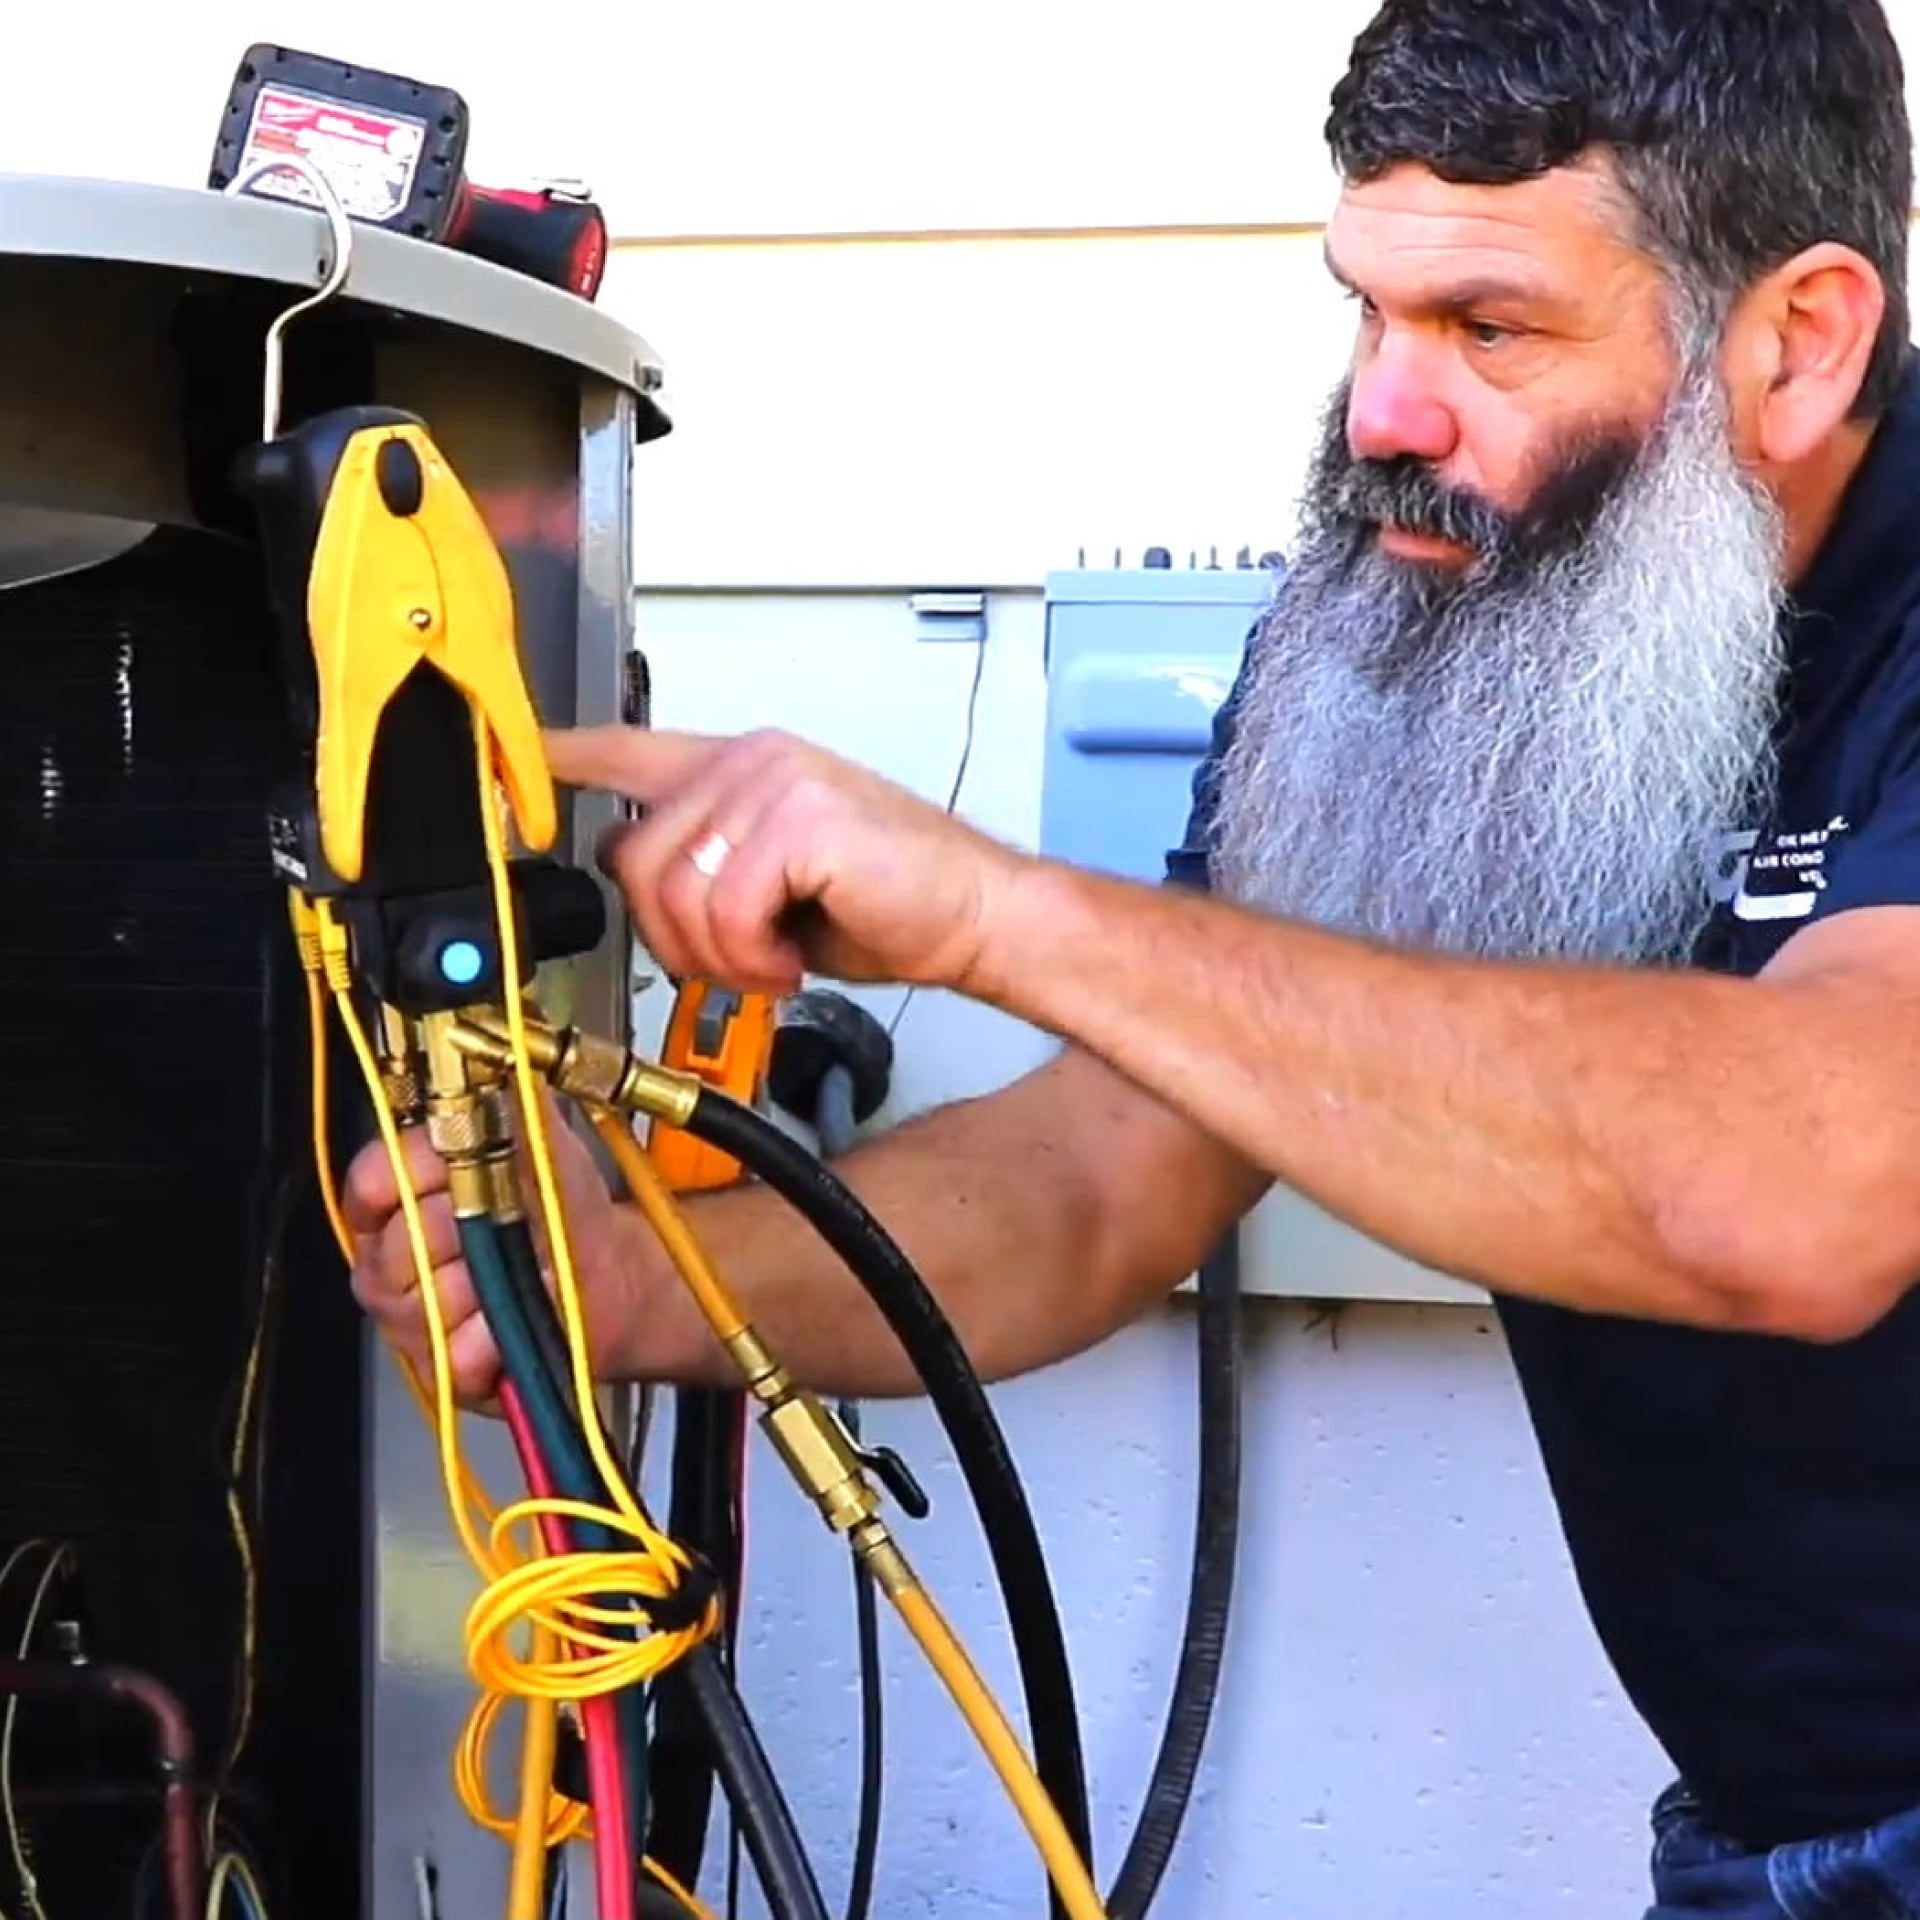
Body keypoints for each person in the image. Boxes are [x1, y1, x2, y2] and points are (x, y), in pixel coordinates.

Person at [349, 1, 1920, 1913]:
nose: (1383, 416)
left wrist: (1005, 911)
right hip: (1764, 1828)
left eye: (1491, 328)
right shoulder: (1412, 613)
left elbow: (1810, 1191)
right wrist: (625, 1281)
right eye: (1369, 309)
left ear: (1801, 339)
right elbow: (1103, 1181)